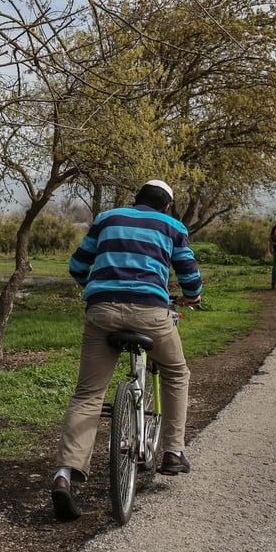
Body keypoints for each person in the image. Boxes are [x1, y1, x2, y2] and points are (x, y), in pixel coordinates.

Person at [51, 179, 202, 521]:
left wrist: (93, 288)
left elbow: (77, 267)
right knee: (176, 371)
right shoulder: (173, 226)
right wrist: (191, 297)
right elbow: (190, 277)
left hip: (101, 312)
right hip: (151, 313)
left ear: (136, 200)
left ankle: (64, 474)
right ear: (166, 206)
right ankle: (173, 451)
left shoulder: (106, 218)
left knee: (88, 393)